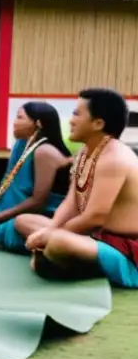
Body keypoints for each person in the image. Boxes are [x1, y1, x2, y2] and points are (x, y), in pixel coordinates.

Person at [15, 89, 138, 288]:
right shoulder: (84, 153)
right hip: (92, 236)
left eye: (76, 114)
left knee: (57, 242)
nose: (70, 120)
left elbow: (95, 217)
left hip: (126, 249)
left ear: (98, 124)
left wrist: (51, 235)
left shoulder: (114, 158)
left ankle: (56, 258)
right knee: (23, 221)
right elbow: (71, 204)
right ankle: (56, 257)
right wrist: (52, 228)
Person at [0, 102, 71, 252]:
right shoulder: (21, 144)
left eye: (20, 118)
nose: (14, 122)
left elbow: (38, 202)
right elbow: (7, 180)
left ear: (38, 124)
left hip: (40, 213)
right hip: (11, 205)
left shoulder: (45, 151)